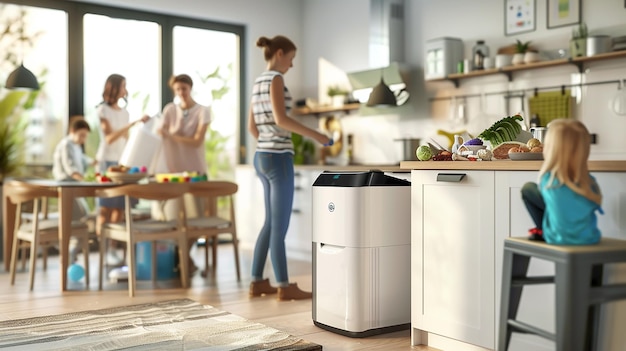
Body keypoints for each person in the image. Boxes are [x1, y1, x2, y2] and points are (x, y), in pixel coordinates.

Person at [248, 35, 331, 301]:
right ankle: (284, 285)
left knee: (270, 222)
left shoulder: (257, 82)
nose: (292, 65)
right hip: (278, 158)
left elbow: (252, 127)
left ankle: (257, 282)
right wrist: (316, 135)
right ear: (280, 53)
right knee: (279, 226)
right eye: (292, 59)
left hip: (261, 156)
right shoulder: (275, 79)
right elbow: (281, 118)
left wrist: (267, 141)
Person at [159, 73, 212, 274]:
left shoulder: (203, 111)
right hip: (173, 172)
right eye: (178, 89)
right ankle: (183, 260)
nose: (181, 93)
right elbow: (158, 134)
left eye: (184, 89)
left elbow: (197, 141)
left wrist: (171, 136)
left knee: (196, 219)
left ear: (190, 88)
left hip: (196, 171)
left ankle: (183, 257)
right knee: (174, 219)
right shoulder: (170, 110)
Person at [95, 74, 150, 264]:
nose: (125, 89)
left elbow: (126, 139)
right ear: (115, 87)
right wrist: (133, 123)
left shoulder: (124, 112)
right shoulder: (103, 110)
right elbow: (110, 137)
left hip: (122, 163)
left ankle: (112, 248)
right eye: (123, 85)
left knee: (119, 208)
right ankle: (102, 250)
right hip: (107, 163)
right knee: (105, 208)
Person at [521, 119, 603, 244]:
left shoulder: (548, 180)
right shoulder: (590, 183)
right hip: (589, 239)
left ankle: (541, 230)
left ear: (551, 149)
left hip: (556, 239)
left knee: (528, 189)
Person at [52, 118, 95, 262]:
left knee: (85, 218)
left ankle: (73, 250)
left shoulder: (76, 147)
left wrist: (94, 162)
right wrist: (86, 180)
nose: (83, 139)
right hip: (66, 188)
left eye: (85, 136)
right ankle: (69, 251)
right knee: (80, 218)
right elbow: (71, 169)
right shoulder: (66, 145)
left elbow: (84, 159)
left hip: (75, 188)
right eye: (81, 135)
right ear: (72, 132)